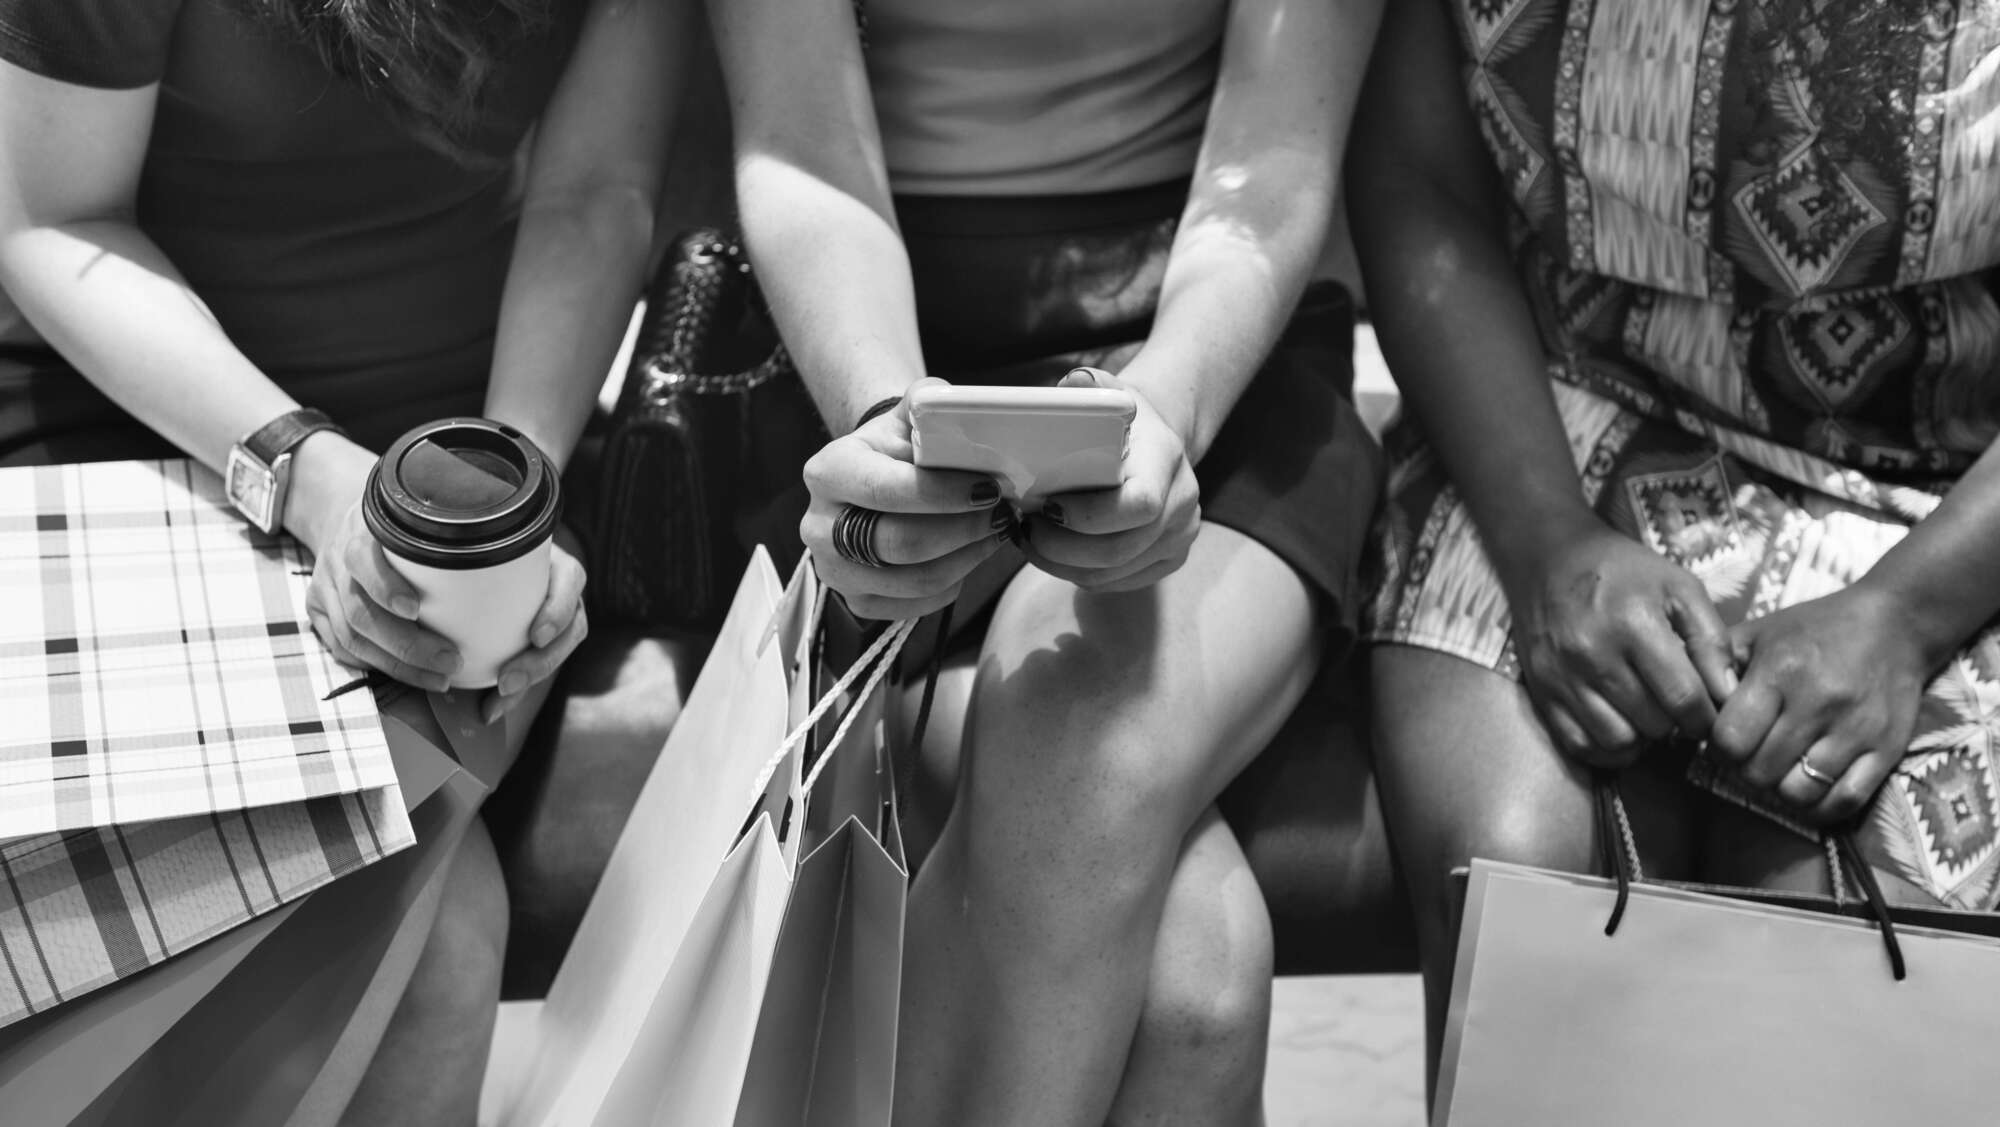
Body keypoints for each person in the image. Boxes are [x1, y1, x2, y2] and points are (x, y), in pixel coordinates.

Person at [0, 0, 689, 1119]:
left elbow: (593, 193)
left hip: (461, 455)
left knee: (419, 937)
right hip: (133, 434)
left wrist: (504, 503)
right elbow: (55, 219)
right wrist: (313, 479)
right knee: (435, 944)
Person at [708, 0, 1386, 1122]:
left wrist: (1163, 409)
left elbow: (1274, 162)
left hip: (1216, 352)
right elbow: (803, 146)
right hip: (859, 338)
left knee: (1079, 707)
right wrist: (885, 421)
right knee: (1194, 991)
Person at [1350, 0, 2000, 1095]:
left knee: (1855, 922)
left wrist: (1906, 615)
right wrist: (1547, 543)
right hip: (1553, 418)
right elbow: (1420, 182)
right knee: (1520, 878)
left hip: (1946, 489)